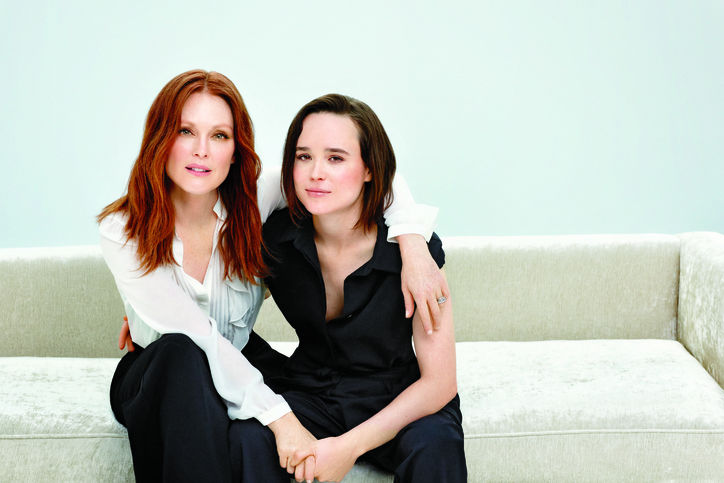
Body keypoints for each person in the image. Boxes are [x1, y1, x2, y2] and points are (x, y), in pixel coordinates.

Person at [98, 70, 448, 482]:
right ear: (160, 138)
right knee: (181, 352)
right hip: (160, 375)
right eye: (185, 131)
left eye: (219, 136)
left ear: (236, 150)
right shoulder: (122, 229)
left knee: (247, 425)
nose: (201, 151)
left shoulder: (254, 197)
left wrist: (413, 245)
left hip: (239, 359)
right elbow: (197, 335)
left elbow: (366, 172)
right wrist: (282, 419)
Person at [233, 94, 466, 482]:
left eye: (336, 158)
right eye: (304, 157)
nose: (316, 173)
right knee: (247, 435)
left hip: (395, 395)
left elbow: (440, 382)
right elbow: (221, 292)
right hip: (310, 391)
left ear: (370, 169)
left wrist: (348, 447)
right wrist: (153, 316)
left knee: (436, 445)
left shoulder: (414, 255)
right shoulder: (275, 241)